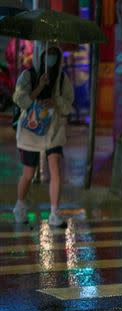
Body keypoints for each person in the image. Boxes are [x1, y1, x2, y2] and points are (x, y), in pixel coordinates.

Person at [12, 46, 74, 227]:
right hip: (30, 133)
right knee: (28, 174)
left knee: (56, 171)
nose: (51, 60)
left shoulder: (63, 79)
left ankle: (55, 212)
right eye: (48, 56)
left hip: (53, 132)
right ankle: (20, 206)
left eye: (55, 56)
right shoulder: (27, 76)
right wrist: (39, 87)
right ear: (41, 57)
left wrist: (56, 102)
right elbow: (20, 99)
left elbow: (69, 105)